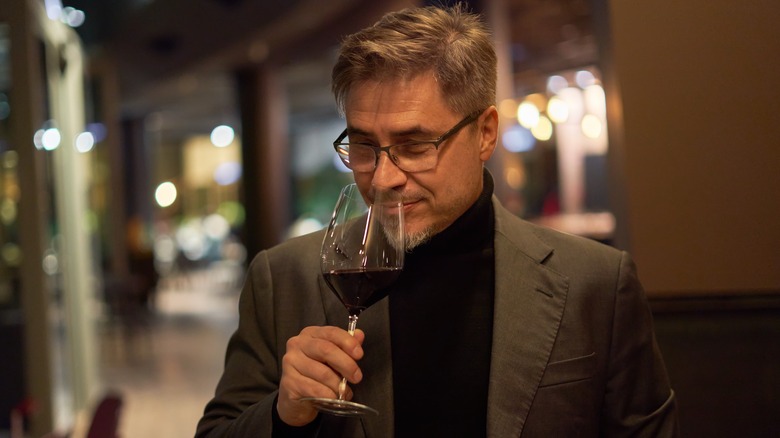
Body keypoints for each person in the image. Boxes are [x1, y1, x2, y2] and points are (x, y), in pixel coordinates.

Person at [196, 4, 678, 437]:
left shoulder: (595, 284)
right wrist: (285, 416)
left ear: (485, 133)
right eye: (364, 146)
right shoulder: (282, 280)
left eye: (414, 146)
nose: (384, 177)